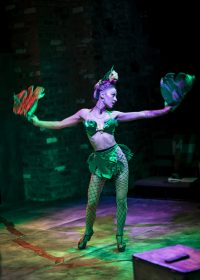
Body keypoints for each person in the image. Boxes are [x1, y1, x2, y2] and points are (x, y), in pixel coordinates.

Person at [29, 67, 188, 252]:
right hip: (99, 162)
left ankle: (120, 236)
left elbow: (144, 113)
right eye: (113, 94)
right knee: (91, 202)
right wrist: (36, 121)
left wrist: (166, 109)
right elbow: (59, 124)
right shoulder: (84, 114)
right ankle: (88, 232)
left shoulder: (115, 115)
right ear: (102, 95)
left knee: (121, 201)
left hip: (118, 159)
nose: (116, 98)